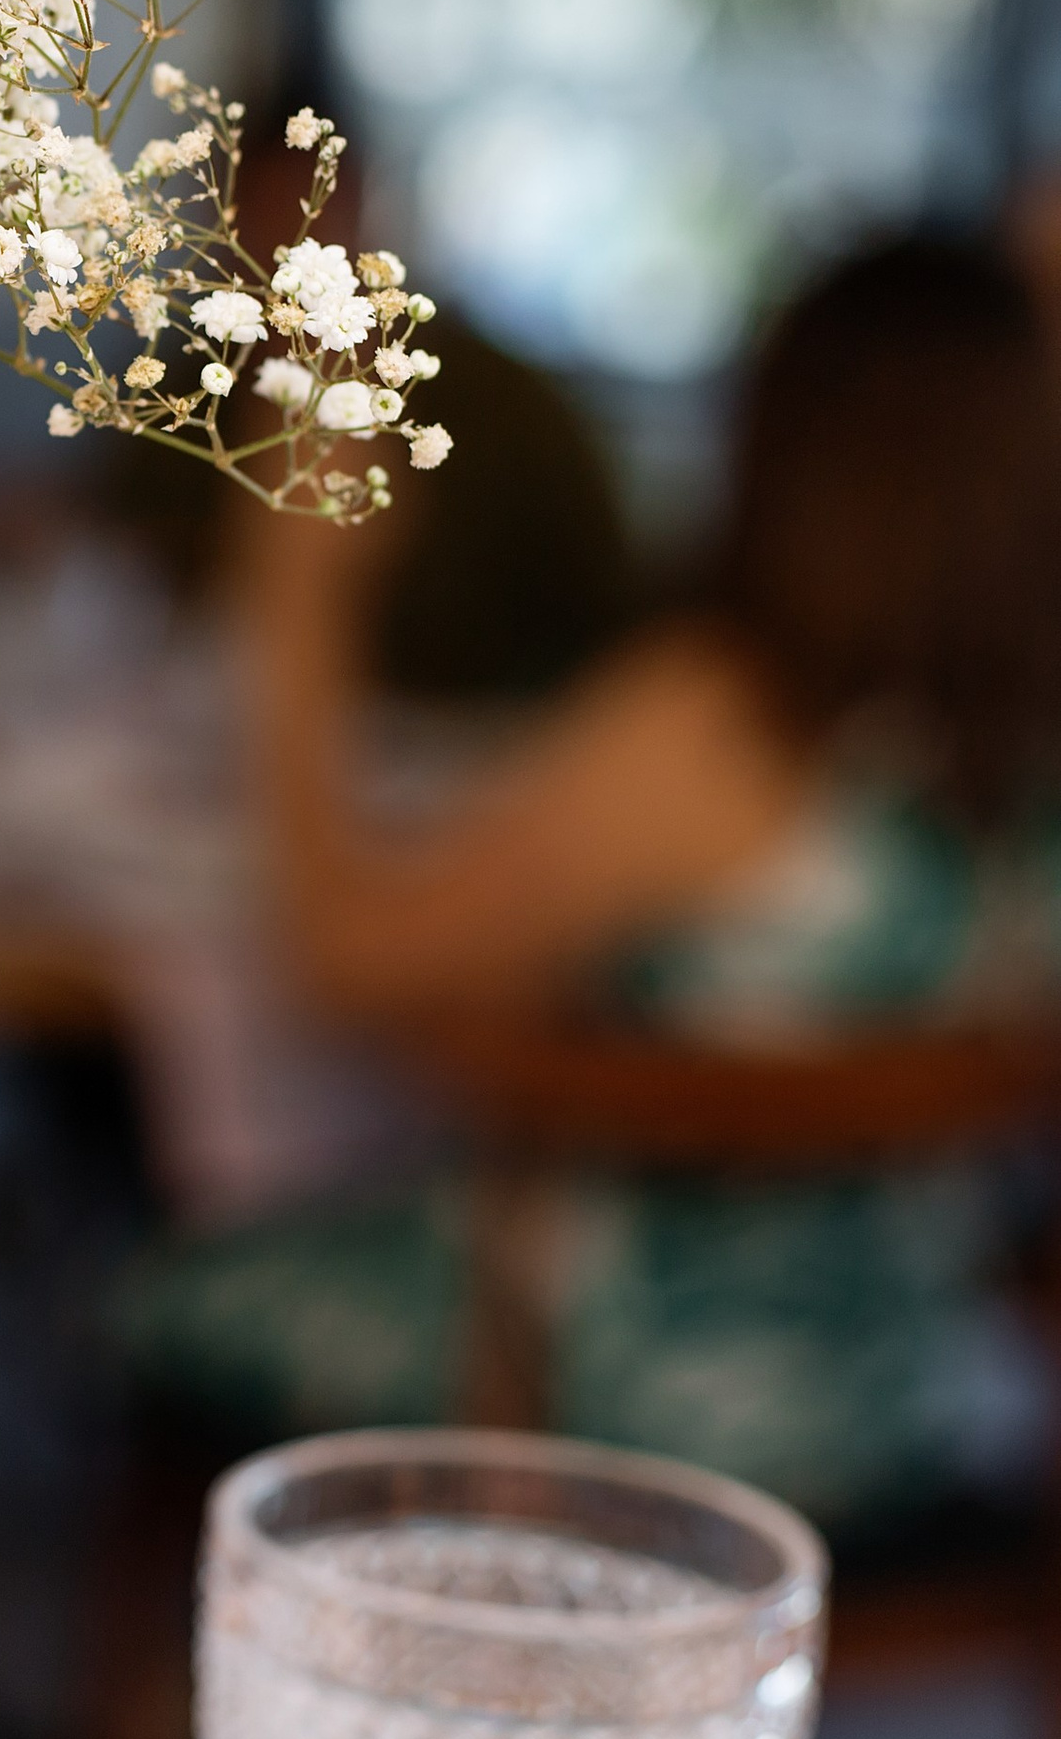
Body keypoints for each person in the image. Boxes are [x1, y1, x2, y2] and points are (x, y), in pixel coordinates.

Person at [121, 230, 1061, 1540]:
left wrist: (299, 607)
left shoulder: (715, 727)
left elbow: (345, 957)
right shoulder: (1020, 749)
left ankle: (231, 1687)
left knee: (133, 1284)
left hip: (611, 1395)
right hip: (929, 1380)